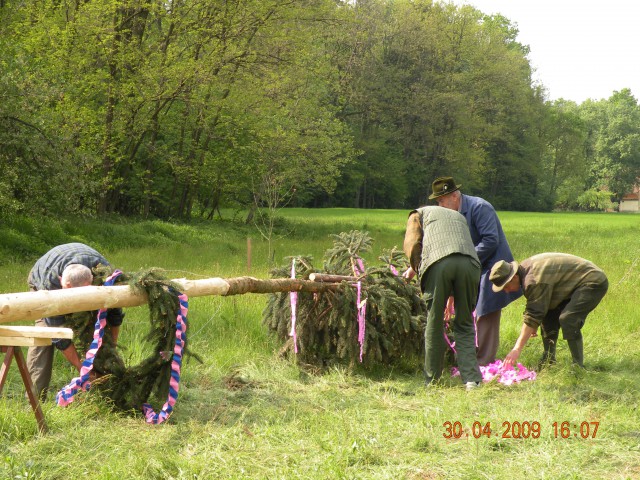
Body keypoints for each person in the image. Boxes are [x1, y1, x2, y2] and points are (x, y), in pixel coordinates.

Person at [429, 176, 522, 365]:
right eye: (437, 202)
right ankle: (465, 355)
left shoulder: (480, 207)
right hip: (472, 267)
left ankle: (483, 362)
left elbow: (490, 240)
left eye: (441, 200)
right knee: (466, 310)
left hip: (494, 267)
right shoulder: (450, 216)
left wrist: (466, 260)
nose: (440, 205)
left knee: (486, 309)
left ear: (454, 196)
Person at [26, 242, 124, 400]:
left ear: (91, 282)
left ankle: (106, 390)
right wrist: (83, 370)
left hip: (85, 275)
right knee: (44, 334)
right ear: (65, 284)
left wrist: (110, 348)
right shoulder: (50, 283)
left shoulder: (104, 274)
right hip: (40, 277)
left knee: (95, 327)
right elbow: (58, 334)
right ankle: (35, 398)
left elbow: (114, 315)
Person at [403, 205, 482, 390]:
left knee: (434, 322)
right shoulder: (458, 216)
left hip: (438, 264)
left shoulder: (417, 213)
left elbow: (413, 243)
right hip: (471, 264)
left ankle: (433, 380)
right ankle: (472, 379)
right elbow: (457, 250)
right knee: (465, 322)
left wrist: (417, 269)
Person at [489, 253, 608, 368]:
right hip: (575, 283)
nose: (506, 291)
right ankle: (548, 361)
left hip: (593, 281)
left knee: (568, 319)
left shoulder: (532, 280)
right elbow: (539, 308)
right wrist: (534, 322)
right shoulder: (525, 271)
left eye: (506, 286)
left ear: (514, 277)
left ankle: (578, 366)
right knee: (548, 316)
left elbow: (534, 313)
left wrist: (516, 349)